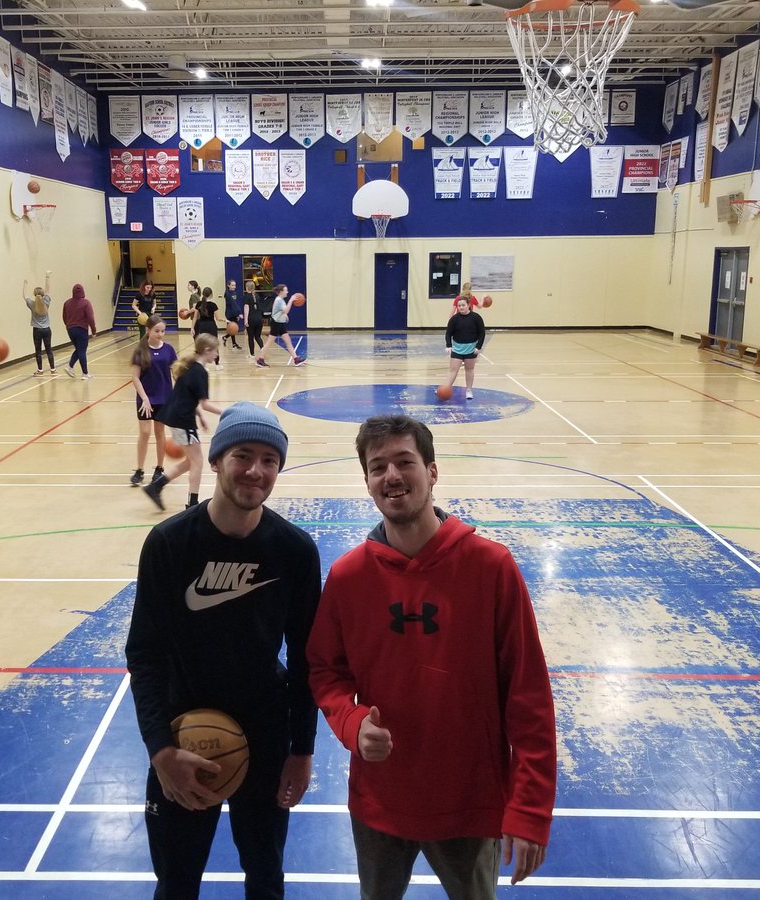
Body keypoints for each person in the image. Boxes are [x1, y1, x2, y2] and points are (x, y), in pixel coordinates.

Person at [307, 414, 557, 897]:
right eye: (378, 467)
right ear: (366, 481)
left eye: (405, 462)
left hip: (470, 802)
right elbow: (325, 671)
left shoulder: (491, 567)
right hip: (379, 799)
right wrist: (351, 723)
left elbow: (528, 695)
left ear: (433, 471)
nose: (392, 476)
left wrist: (529, 806)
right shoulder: (348, 577)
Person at [125, 402, 321, 900]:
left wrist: (301, 750)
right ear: (215, 460)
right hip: (182, 736)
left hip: (265, 738)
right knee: (176, 884)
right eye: (243, 455)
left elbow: (306, 660)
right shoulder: (169, 544)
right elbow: (145, 653)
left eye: (269, 460)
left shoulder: (295, 551)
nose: (256, 470)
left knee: (266, 878)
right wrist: (160, 749)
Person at [143, 334, 223, 511]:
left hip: (177, 416)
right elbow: (205, 404)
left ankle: (155, 487)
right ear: (207, 350)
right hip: (182, 419)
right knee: (198, 461)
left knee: (191, 461)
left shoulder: (190, 367)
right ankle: (192, 504)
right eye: (215, 350)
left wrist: (200, 416)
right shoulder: (200, 371)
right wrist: (227, 412)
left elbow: (187, 396)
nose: (217, 354)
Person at [130, 315, 177, 487]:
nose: (160, 334)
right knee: (144, 432)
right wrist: (145, 399)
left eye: (163, 331)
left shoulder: (169, 350)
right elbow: (135, 377)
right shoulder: (140, 351)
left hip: (164, 397)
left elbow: (175, 373)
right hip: (145, 398)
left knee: (160, 432)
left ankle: (159, 468)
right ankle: (139, 469)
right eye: (157, 331)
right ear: (148, 330)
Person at [443, 295, 486, 399]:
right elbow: (448, 333)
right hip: (457, 349)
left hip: (471, 349)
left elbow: (482, 333)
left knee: (469, 369)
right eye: (459, 306)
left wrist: (478, 346)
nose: (461, 307)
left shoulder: (476, 317)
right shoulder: (454, 319)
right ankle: (445, 389)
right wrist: (448, 345)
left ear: (468, 305)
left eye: (463, 305)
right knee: (453, 370)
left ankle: (469, 390)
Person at [256, 284, 304, 368]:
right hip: (276, 323)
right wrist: (291, 300)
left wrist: (284, 315)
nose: (287, 292)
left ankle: (296, 359)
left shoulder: (280, 300)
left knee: (288, 341)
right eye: (286, 290)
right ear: (281, 291)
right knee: (269, 342)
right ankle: (260, 360)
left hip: (280, 323)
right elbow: (286, 310)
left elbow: (281, 311)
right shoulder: (279, 300)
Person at [24, 271, 56, 376]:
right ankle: (53, 369)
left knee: (38, 351)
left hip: (37, 330)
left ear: (34, 294)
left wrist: (25, 285)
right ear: (43, 294)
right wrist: (47, 276)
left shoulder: (32, 304)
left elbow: (25, 296)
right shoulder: (46, 302)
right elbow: (48, 290)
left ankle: (40, 370)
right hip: (47, 329)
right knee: (49, 349)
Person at [62, 283, 97, 379]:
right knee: (82, 350)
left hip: (70, 329)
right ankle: (85, 373)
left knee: (79, 349)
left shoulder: (67, 303)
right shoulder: (86, 303)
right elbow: (90, 318)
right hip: (82, 329)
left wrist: (69, 326)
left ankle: (70, 367)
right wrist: (93, 330)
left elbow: (64, 317)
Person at [192, 287, 222, 371]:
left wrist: (192, 328)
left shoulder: (199, 304)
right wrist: (225, 320)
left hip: (202, 326)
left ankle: (203, 365)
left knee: (202, 345)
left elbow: (195, 317)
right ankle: (217, 364)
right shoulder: (213, 305)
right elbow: (218, 318)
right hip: (211, 326)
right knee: (214, 344)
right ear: (211, 294)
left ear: (202, 294)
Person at [243, 279, 265, 364]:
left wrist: (245, 320)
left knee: (251, 337)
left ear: (246, 288)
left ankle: (252, 354)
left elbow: (246, 308)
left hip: (251, 319)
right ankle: (263, 349)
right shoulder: (257, 296)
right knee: (258, 336)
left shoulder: (247, 297)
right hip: (259, 319)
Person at [223, 278, 244, 351]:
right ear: (228, 285)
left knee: (233, 329)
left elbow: (237, 303)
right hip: (230, 313)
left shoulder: (234, 293)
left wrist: (237, 314)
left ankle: (230, 341)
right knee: (233, 328)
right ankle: (230, 341)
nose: (234, 287)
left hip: (234, 313)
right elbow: (233, 304)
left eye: (235, 285)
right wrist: (239, 313)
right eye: (232, 285)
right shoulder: (227, 294)